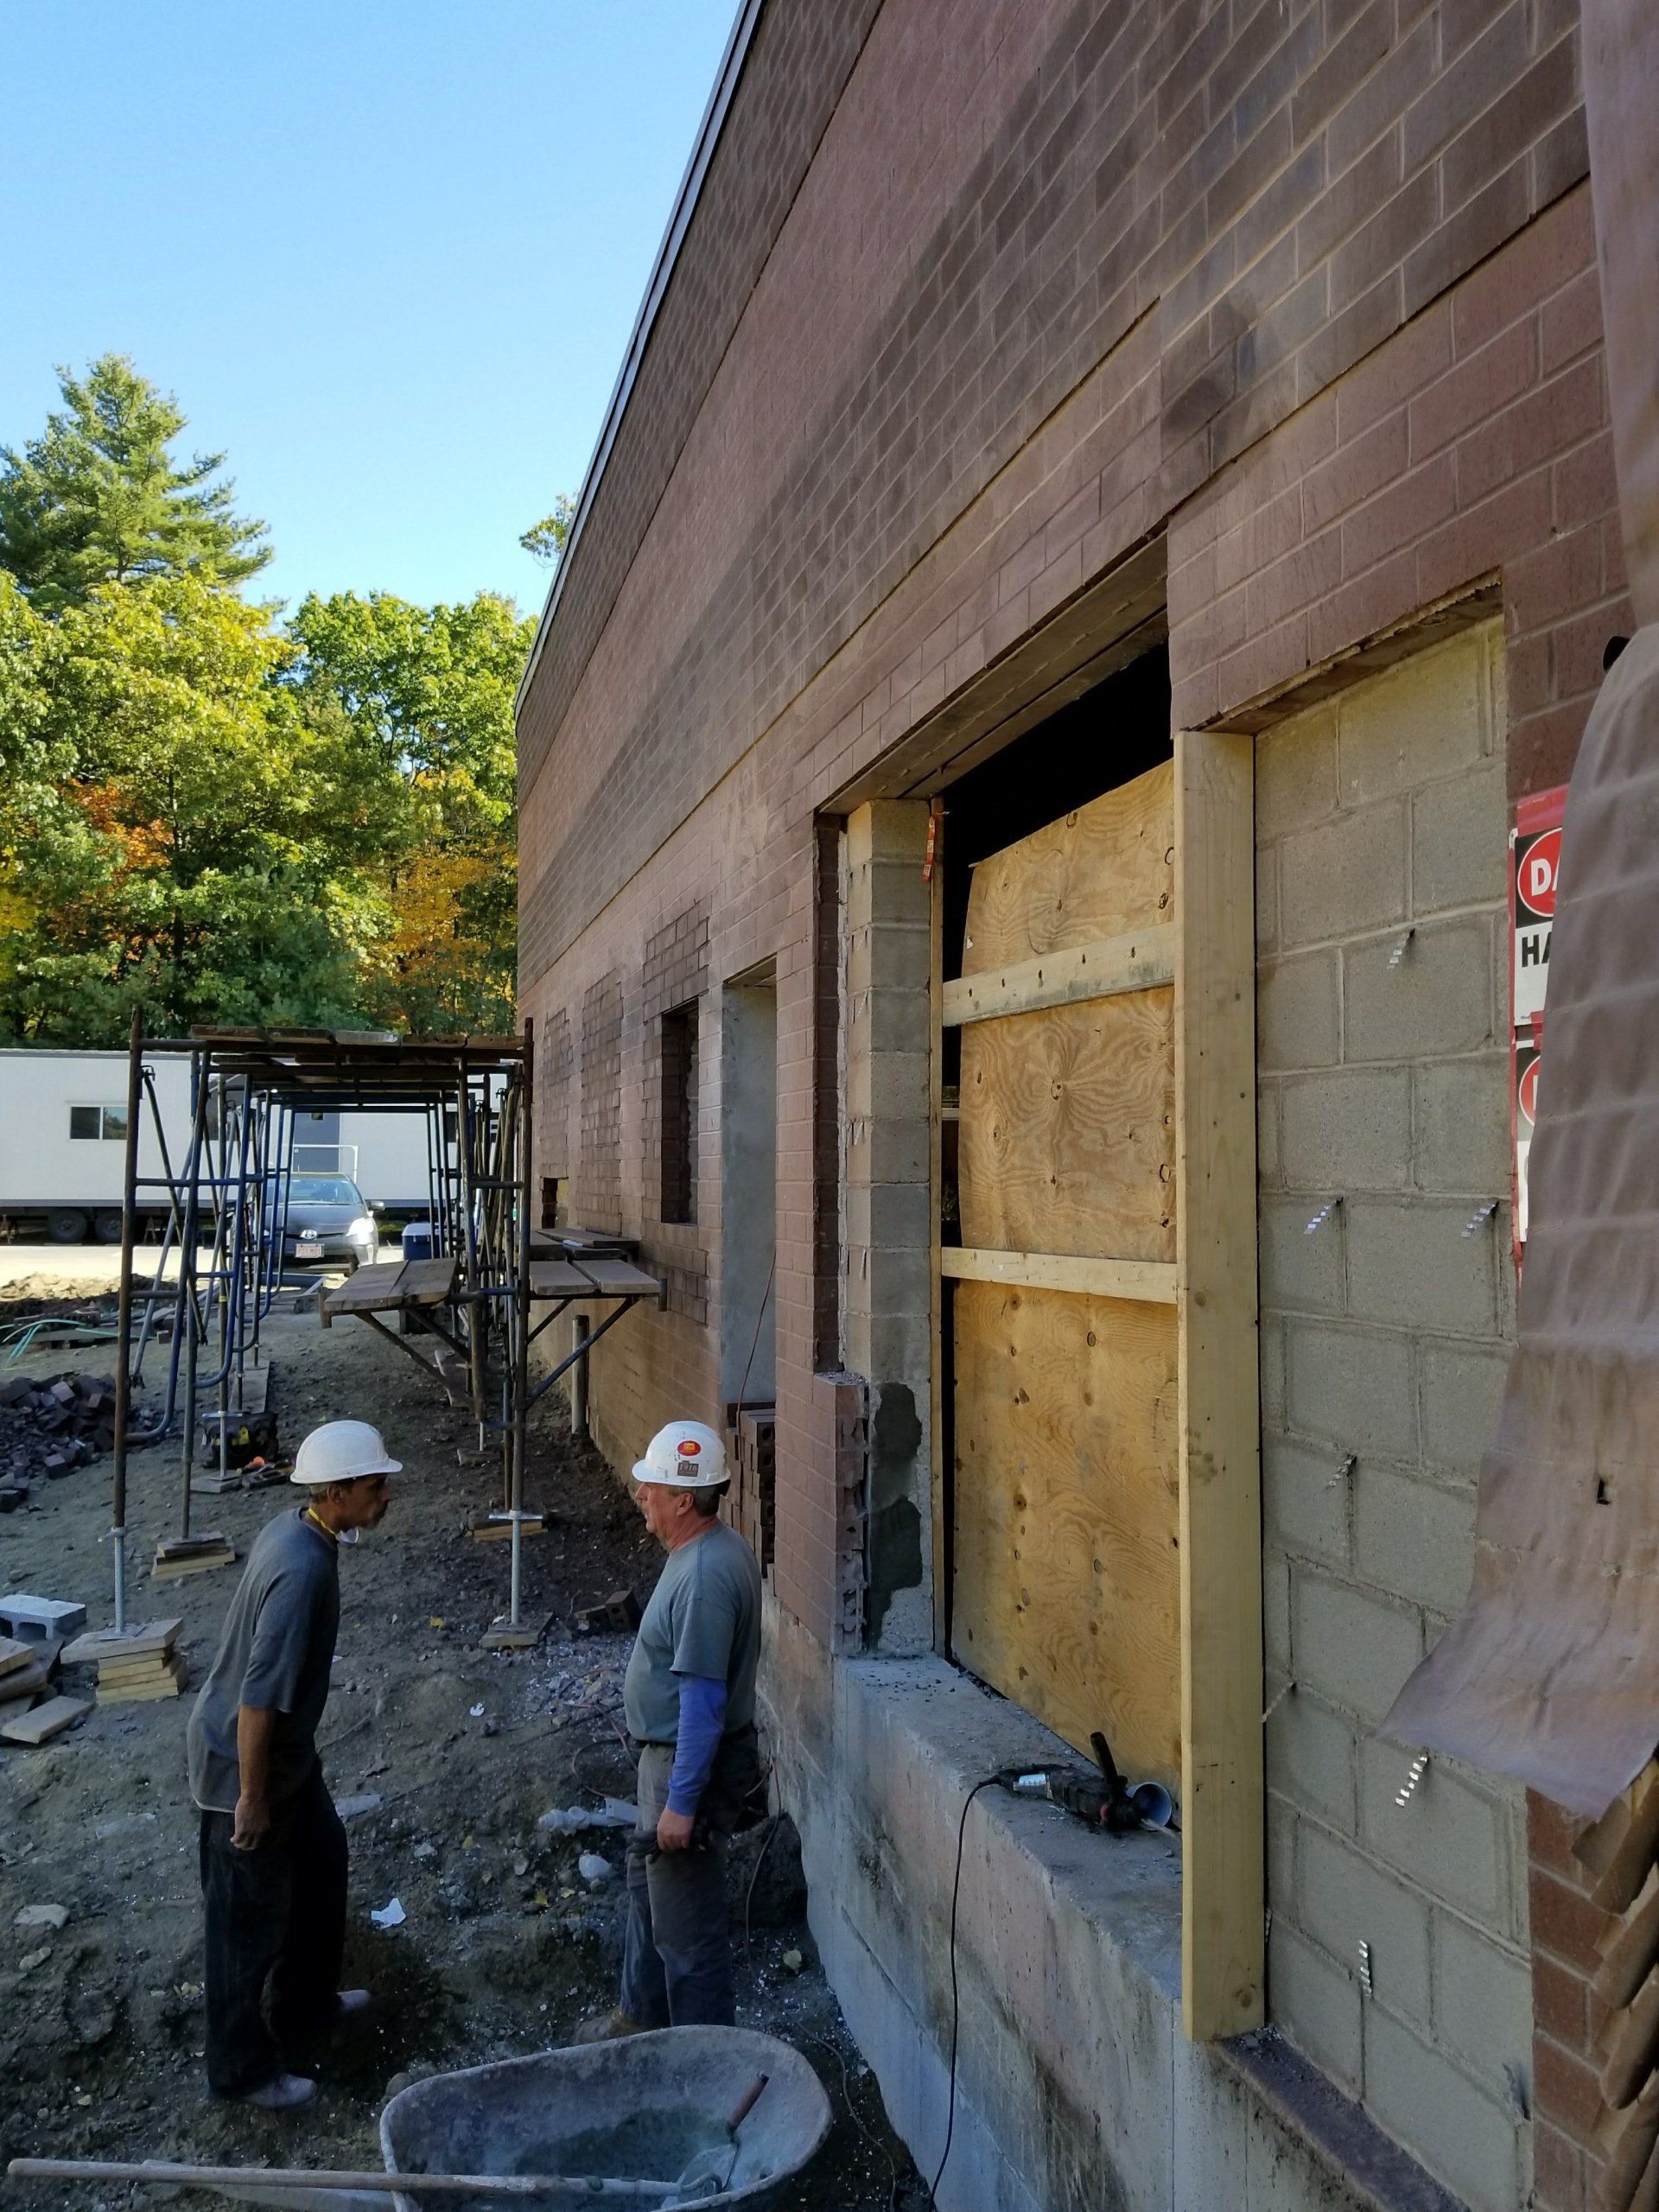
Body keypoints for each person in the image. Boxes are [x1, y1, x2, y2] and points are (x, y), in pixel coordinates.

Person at [186, 1418, 400, 2108]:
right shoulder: (302, 1568)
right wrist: (251, 1798)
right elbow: (257, 1699)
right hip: (242, 1765)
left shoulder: (300, 1527)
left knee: (321, 1862)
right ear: (335, 1491)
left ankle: (306, 2005)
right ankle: (241, 2071)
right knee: (245, 1923)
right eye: (374, 1484)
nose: (385, 1494)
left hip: (287, 1761)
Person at [585, 1419, 763, 2039]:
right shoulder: (706, 1551)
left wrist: (681, 1805)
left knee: (688, 1934)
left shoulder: (705, 1578)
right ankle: (639, 2021)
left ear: (683, 1500)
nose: (640, 1496)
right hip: (663, 1763)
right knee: (646, 1897)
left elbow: (704, 1705)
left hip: (682, 1768)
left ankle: (704, 2065)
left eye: (651, 1487)